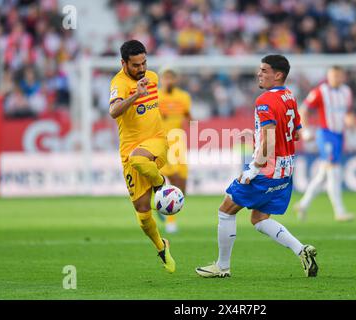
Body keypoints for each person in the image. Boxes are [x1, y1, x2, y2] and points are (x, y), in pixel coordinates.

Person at [196, 55, 318, 278]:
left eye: (264, 70)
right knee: (259, 219)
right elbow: (297, 134)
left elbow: (270, 141)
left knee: (226, 210)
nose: (259, 74)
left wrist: (253, 168)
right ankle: (302, 250)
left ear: (278, 75)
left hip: (266, 170)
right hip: (286, 169)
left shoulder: (265, 100)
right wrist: (261, 137)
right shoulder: (289, 96)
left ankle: (222, 266)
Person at [108, 40, 175, 273]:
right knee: (143, 212)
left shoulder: (154, 77)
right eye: (136, 65)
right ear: (123, 63)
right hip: (129, 150)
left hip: (156, 142)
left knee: (140, 159)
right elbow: (113, 111)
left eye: (144, 62)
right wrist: (136, 95)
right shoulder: (118, 83)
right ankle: (161, 246)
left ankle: (161, 185)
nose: (142, 68)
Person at [293, 66, 356, 222]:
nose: (335, 78)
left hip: (339, 135)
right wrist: (305, 130)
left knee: (323, 174)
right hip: (326, 134)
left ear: (342, 77)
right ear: (328, 76)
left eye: (338, 75)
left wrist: (351, 121)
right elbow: (303, 110)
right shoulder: (320, 91)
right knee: (334, 170)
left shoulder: (347, 92)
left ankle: (303, 204)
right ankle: (339, 212)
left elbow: (348, 112)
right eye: (333, 75)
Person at [157, 67, 191, 233]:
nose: (168, 80)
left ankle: (164, 207)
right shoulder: (155, 97)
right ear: (162, 79)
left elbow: (187, 115)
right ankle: (170, 220)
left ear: (175, 79)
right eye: (166, 77)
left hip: (179, 140)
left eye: (171, 77)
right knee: (171, 178)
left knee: (183, 182)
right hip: (162, 141)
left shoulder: (183, 97)